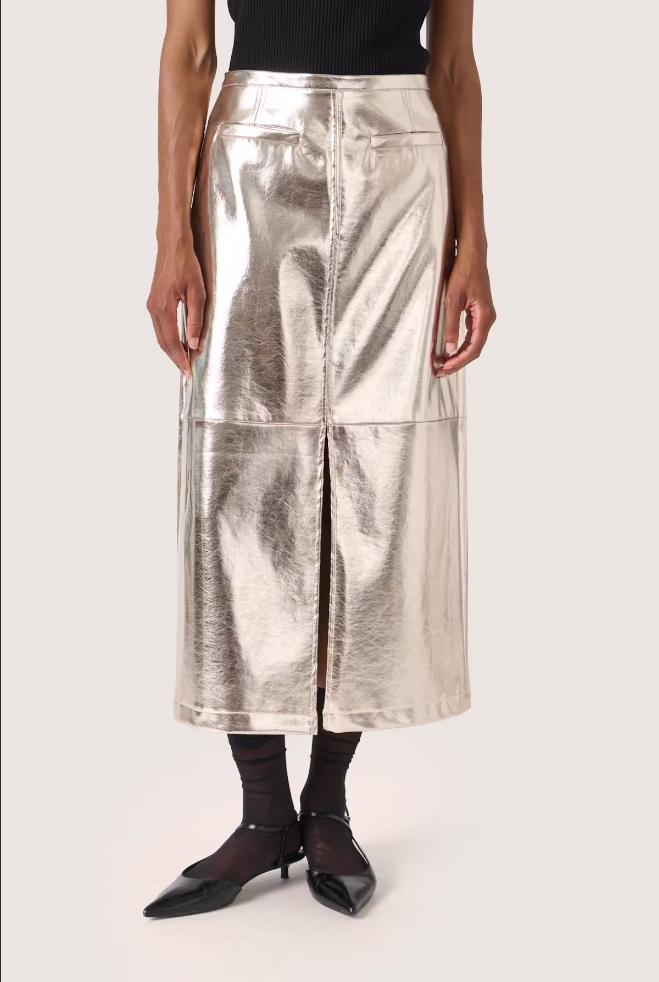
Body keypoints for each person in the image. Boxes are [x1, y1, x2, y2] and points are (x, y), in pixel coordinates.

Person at [144, 0, 496, 919]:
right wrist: (171, 236)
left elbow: (453, 64)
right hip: (253, 163)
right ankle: (264, 814)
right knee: (239, 480)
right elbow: (189, 49)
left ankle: (326, 806)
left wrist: (474, 243)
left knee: (381, 479)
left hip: (400, 168)